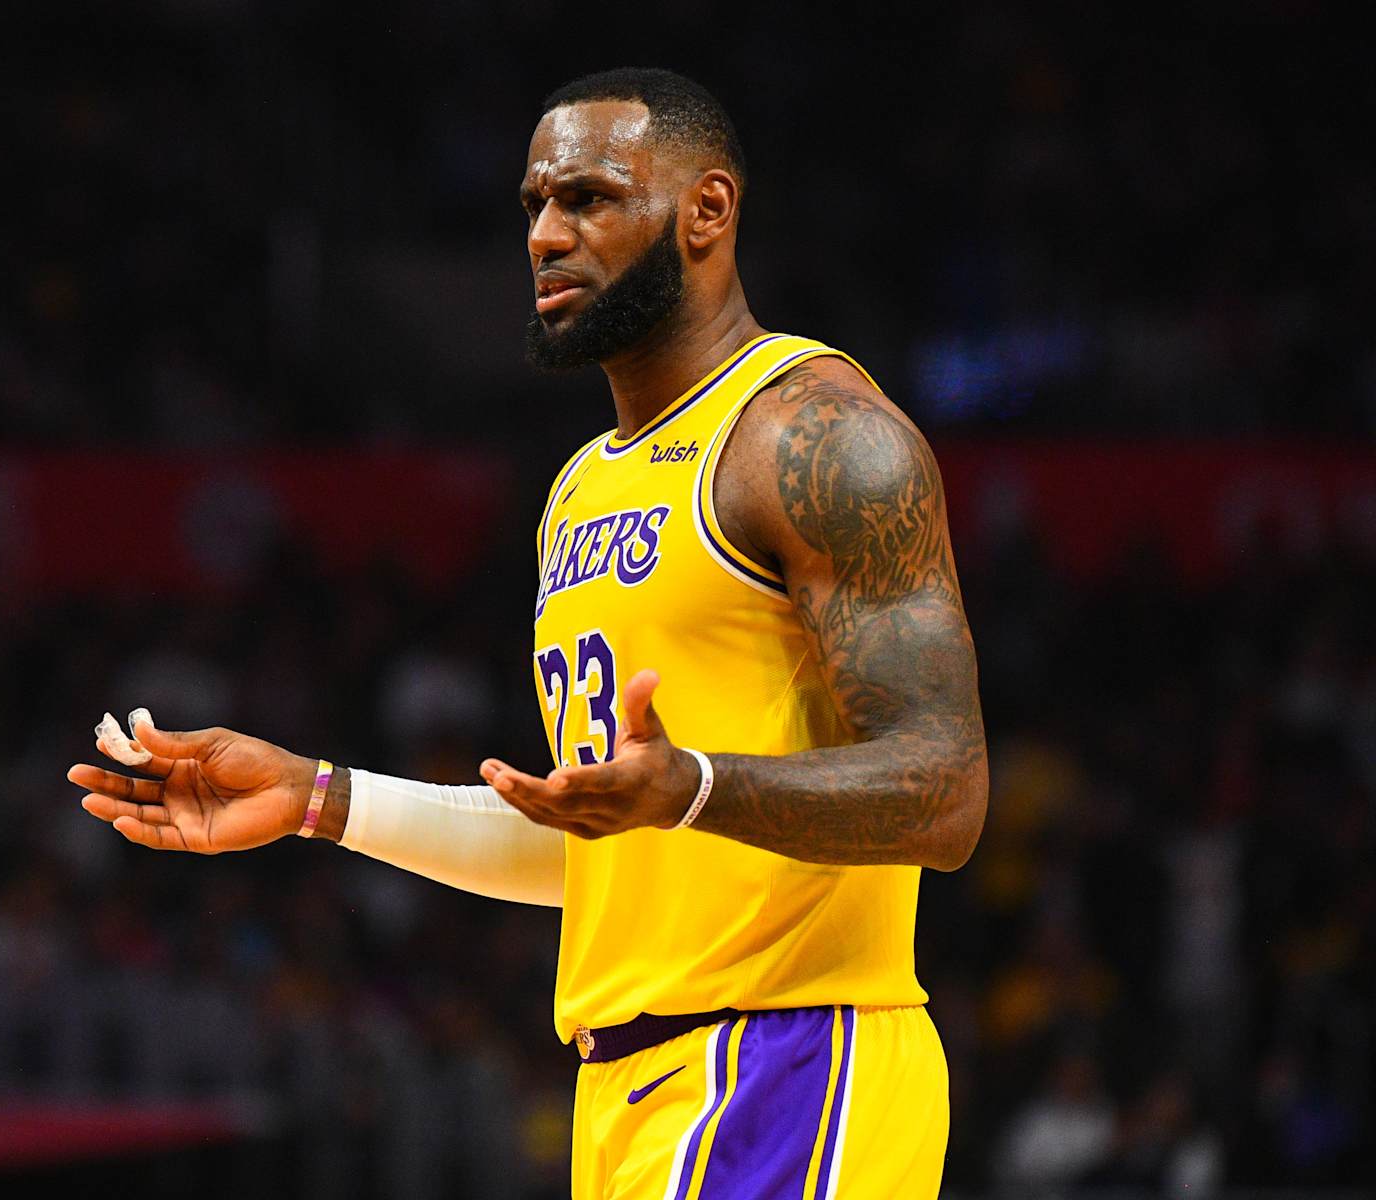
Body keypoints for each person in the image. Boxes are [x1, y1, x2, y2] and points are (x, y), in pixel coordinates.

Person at [68, 67, 987, 1199]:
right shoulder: (576, 491)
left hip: (793, 1067)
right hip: (620, 1095)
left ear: (708, 211)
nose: (548, 236)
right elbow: (611, 852)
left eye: (591, 198)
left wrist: (691, 785)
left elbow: (945, 794)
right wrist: (321, 798)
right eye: (535, 207)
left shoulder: (817, 437)